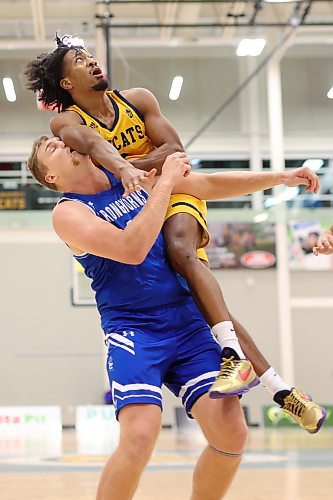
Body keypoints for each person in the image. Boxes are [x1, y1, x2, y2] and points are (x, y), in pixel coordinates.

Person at [24, 34, 326, 433]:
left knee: (182, 254)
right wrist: (130, 170)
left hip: (165, 189)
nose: (92, 61)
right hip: (144, 195)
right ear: (65, 84)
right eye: (80, 60)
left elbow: (176, 150)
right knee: (190, 292)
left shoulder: (137, 99)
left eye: (90, 55)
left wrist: (138, 170)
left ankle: (236, 358)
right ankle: (280, 388)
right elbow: (94, 142)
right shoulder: (66, 125)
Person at [27, 136, 325, 498]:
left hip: (186, 321)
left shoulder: (125, 173)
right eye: (51, 148)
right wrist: (164, 182)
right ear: (50, 177)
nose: (62, 143)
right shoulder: (68, 212)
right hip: (135, 328)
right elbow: (131, 249)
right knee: (139, 435)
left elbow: (207, 184)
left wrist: (279, 177)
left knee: (231, 433)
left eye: (60, 140)